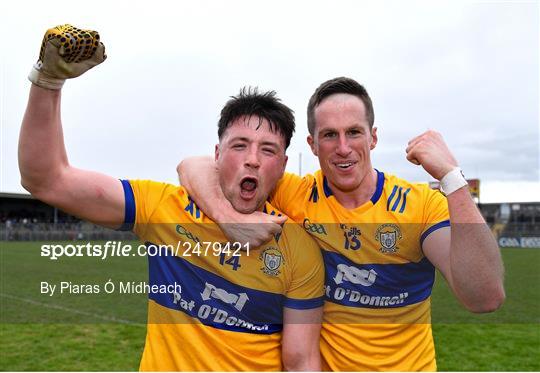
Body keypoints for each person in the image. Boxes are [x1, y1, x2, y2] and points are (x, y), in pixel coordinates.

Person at [19, 24, 325, 371]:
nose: (252, 158)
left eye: (267, 150)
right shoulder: (165, 208)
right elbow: (46, 179)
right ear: (217, 154)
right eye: (239, 145)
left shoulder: (298, 250)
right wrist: (48, 82)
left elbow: (300, 361)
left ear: (283, 165)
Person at [177, 77, 506, 371]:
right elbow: (198, 165)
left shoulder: (418, 206)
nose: (343, 148)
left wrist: (452, 178)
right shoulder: (295, 193)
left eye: (354, 132)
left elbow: (484, 297)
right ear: (312, 145)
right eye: (330, 135)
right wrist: (228, 217)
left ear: (373, 138)